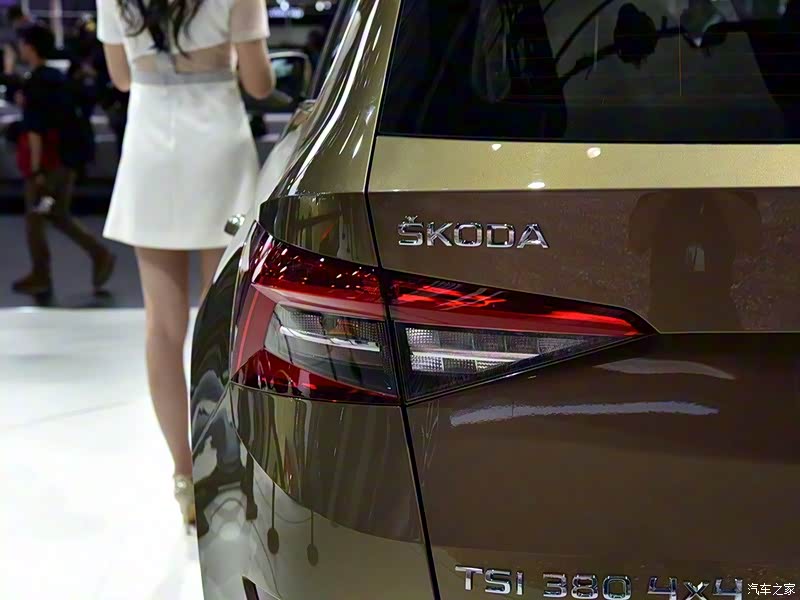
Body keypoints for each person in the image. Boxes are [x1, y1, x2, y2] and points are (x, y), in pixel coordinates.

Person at [96, 0, 275, 529]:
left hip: (150, 147)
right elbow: (260, 84)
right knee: (224, 322)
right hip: (217, 144)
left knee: (162, 326)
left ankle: (184, 475)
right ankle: (225, 466)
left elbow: (121, 78)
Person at [11, 24, 115, 297]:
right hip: (66, 159)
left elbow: (35, 130)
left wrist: (36, 170)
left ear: (30, 47)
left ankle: (43, 274)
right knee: (57, 214)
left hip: (48, 163)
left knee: (37, 218)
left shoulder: (36, 82)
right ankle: (97, 255)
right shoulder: (56, 78)